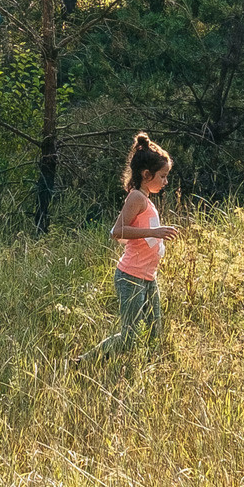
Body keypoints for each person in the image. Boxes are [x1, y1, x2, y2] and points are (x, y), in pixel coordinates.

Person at [92, 134, 178, 358]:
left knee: (153, 333)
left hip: (148, 276)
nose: (165, 182)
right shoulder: (137, 197)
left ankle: (148, 373)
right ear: (146, 174)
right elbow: (117, 232)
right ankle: (83, 362)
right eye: (163, 176)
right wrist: (154, 232)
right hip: (130, 277)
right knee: (130, 336)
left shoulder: (146, 199)